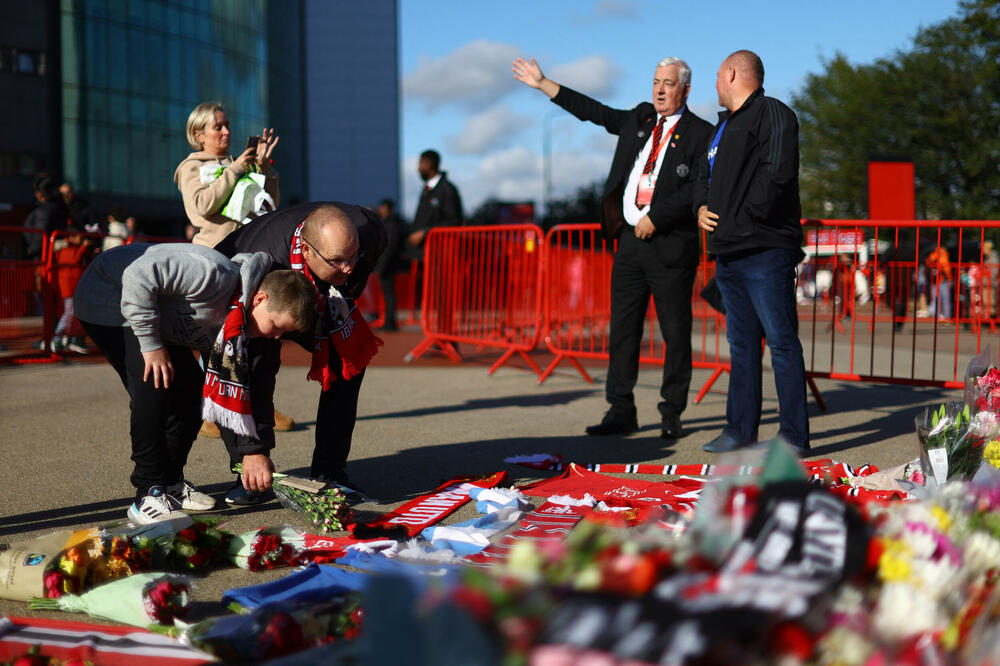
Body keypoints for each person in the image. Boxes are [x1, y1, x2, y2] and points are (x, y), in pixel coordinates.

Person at [513, 56, 712, 440]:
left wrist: (660, 216)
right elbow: (596, 112)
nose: (659, 89)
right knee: (622, 330)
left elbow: (696, 188)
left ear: (685, 90)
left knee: (675, 332)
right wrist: (544, 83)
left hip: (670, 247)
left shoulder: (700, 133)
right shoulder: (639, 118)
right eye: (655, 81)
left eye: (668, 83)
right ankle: (620, 409)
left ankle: (672, 412)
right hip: (628, 245)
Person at [74, 242, 316, 524]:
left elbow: (249, 389)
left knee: (191, 393)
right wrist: (151, 345)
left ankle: (171, 484)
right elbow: (138, 275)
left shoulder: (241, 325)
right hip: (109, 296)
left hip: (157, 317)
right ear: (260, 299)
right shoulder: (211, 273)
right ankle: (147, 493)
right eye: (277, 326)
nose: (276, 337)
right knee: (154, 386)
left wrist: (254, 452)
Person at [213, 202, 386, 504]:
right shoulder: (257, 264)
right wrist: (252, 450)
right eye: (337, 260)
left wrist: (338, 292)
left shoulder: (370, 233)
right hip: (264, 289)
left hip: (318, 293)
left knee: (349, 360)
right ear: (306, 250)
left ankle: (330, 472)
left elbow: (350, 271)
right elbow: (244, 370)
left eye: (352, 257)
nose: (348, 267)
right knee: (257, 364)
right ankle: (250, 474)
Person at [695, 50, 809, 455]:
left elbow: (777, 173)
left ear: (730, 73)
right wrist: (702, 207)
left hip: (766, 249)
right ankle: (739, 431)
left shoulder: (774, 113)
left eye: (715, 75)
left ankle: (793, 437)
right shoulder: (721, 127)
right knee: (742, 346)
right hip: (728, 253)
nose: (713, 85)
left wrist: (741, 219)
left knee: (781, 342)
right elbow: (703, 178)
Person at [173, 101, 279, 248]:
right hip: (213, 253)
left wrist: (264, 167)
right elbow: (203, 205)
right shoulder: (192, 167)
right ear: (199, 136)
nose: (226, 132)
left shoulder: (240, 163)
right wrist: (234, 170)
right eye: (218, 127)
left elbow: (270, 205)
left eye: (227, 125)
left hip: (251, 248)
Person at [407, 149, 462, 256]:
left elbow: (454, 221)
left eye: (420, 163)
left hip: (440, 254)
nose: (418, 168)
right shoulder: (426, 189)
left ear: (429, 164)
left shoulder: (447, 189)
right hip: (423, 253)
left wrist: (425, 232)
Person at [374, 198, 405, 330]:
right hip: (386, 264)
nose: (381, 210)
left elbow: (390, 247)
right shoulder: (387, 223)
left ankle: (390, 321)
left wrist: (381, 266)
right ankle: (388, 320)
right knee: (387, 293)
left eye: (384, 208)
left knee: (389, 293)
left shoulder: (392, 225)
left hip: (388, 265)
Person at [23, 174, 68, 261]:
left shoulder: (43, 210)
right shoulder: (61, 207)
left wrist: (29, 252)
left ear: (40, 193)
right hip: (54, 256)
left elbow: (40, 236)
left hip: (41, 259)